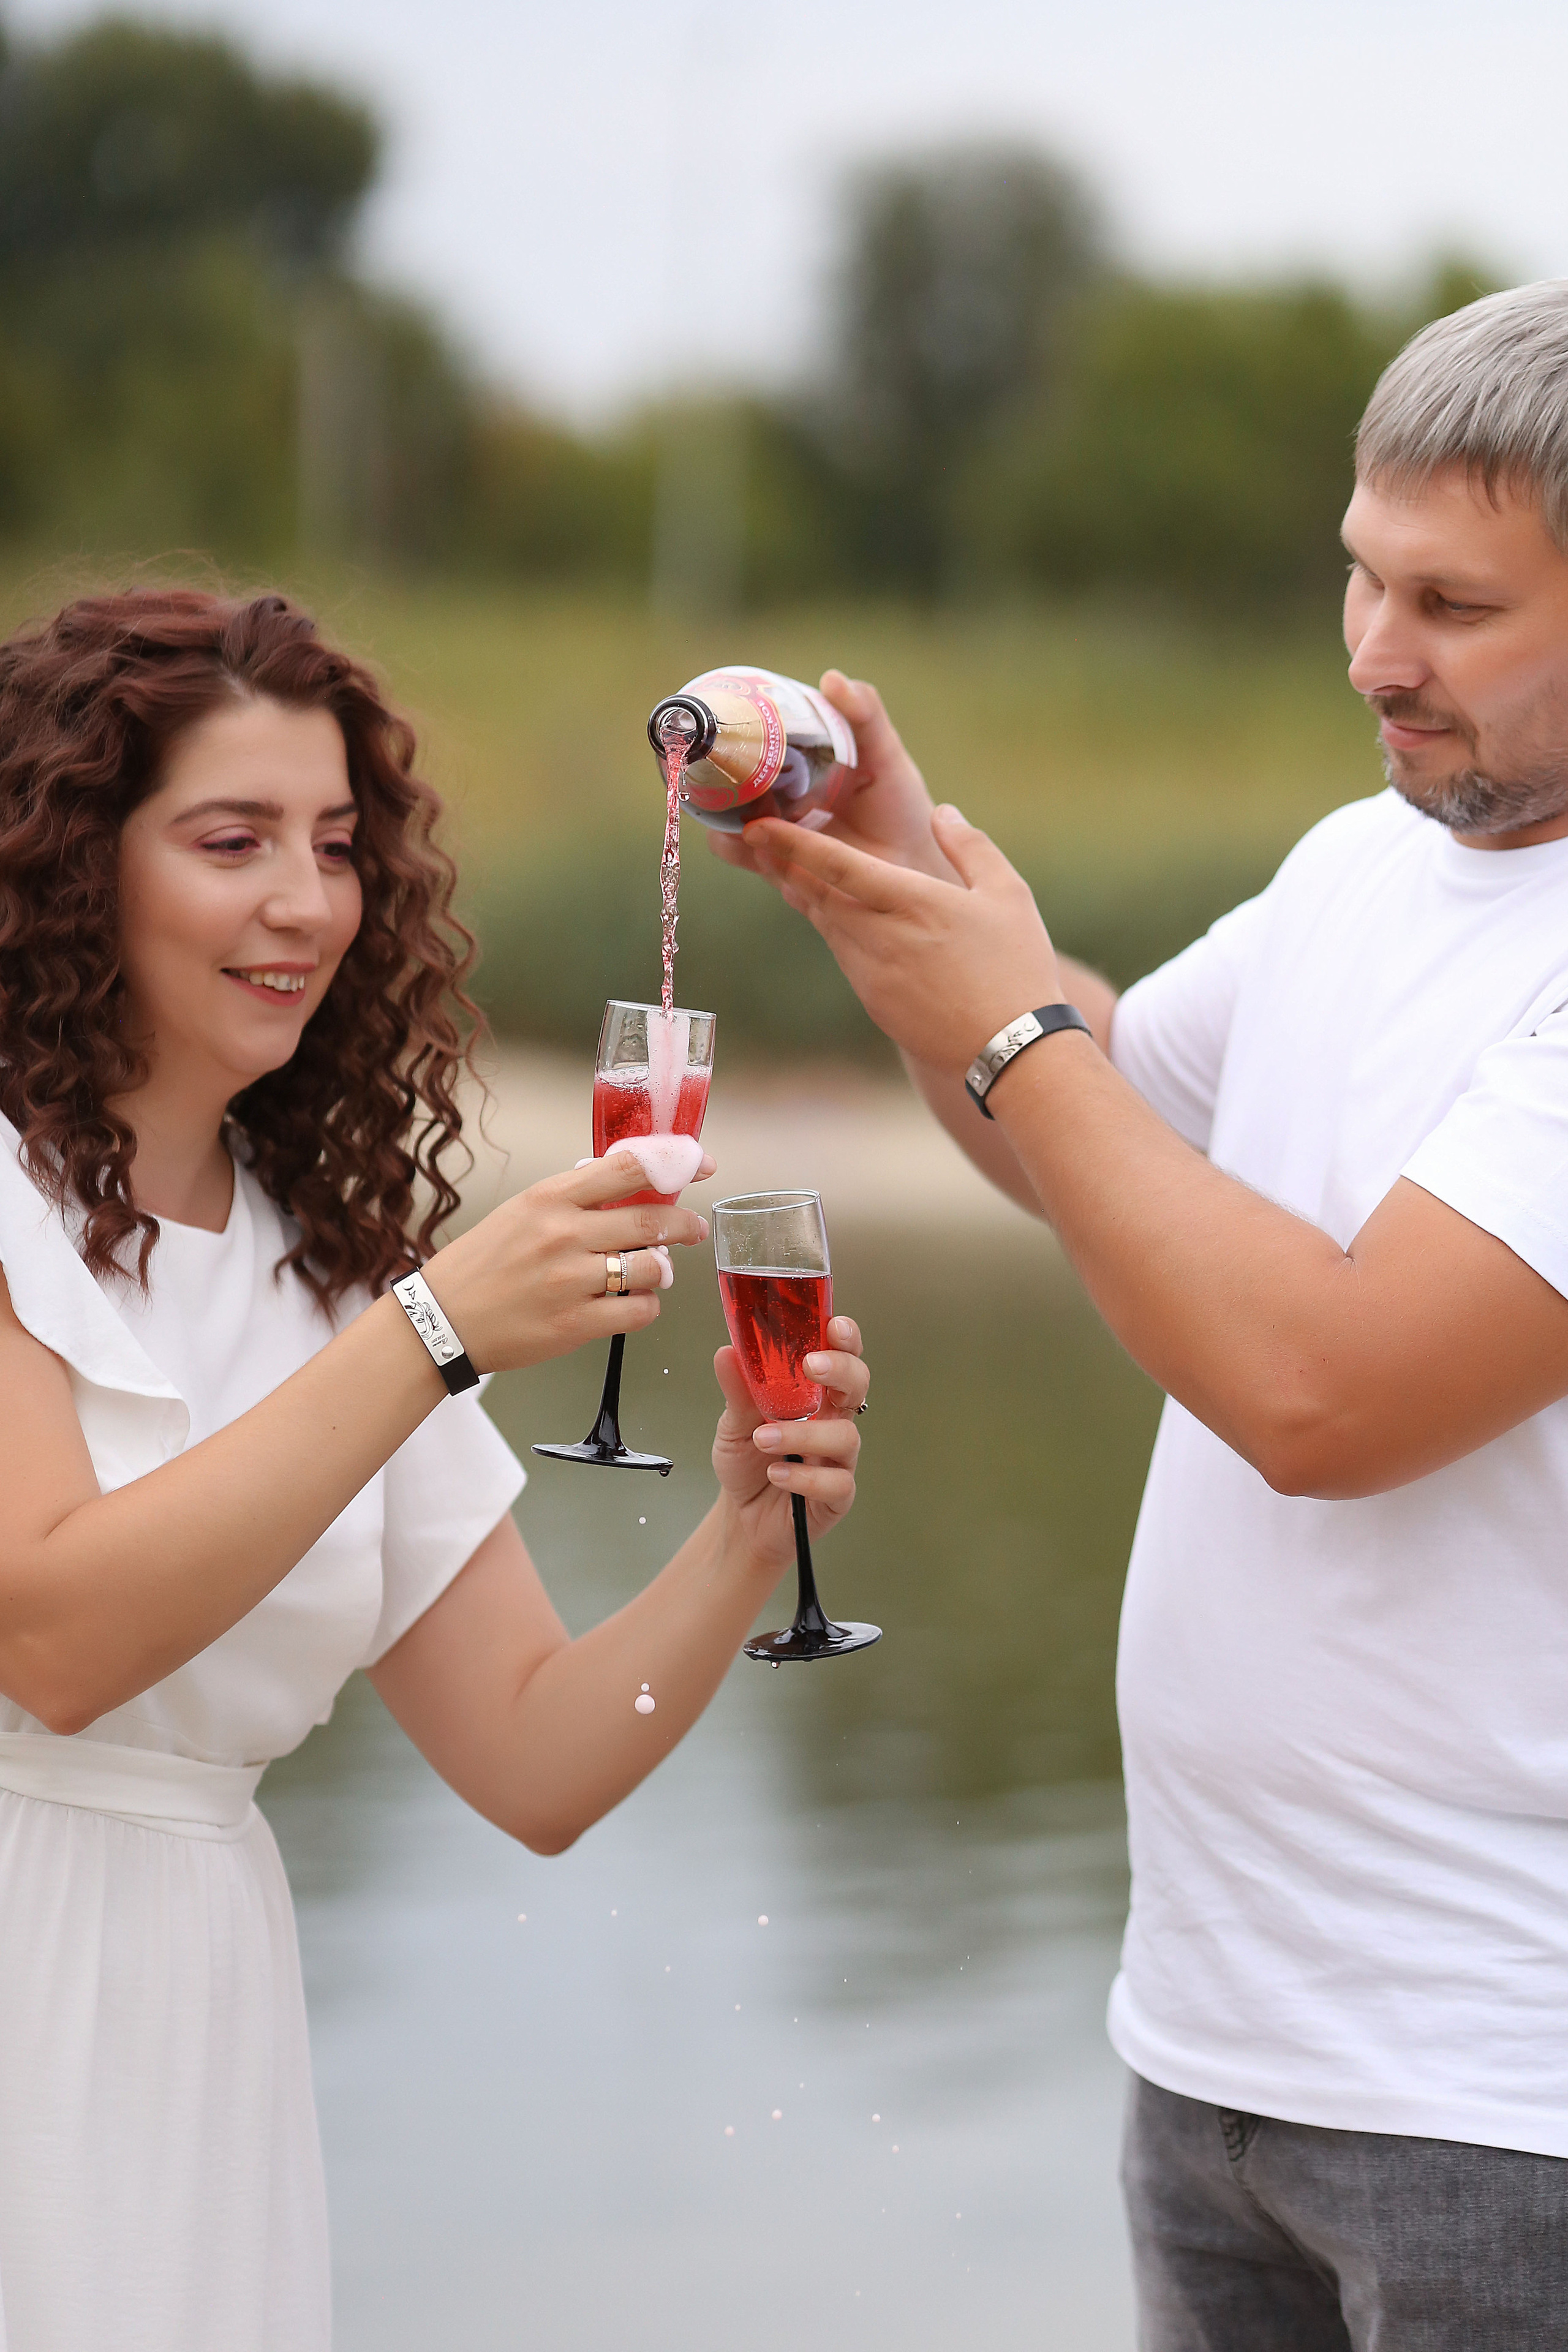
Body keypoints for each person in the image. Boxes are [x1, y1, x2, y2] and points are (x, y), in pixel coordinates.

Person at [718, 281, 1568, 2348]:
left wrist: (1005, 1027)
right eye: (1360, 577)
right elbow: (1082, 1132)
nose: (1375, 653)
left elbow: (1324, 1395)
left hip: (1502, 2093)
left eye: (1453, 607)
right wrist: (904, 876)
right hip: (1213, 2040)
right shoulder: (1359, 866)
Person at [0, 587, 869, 2352]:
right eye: (230, 841)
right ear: (70, 869)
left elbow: (541, 1756)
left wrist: (741, 1524)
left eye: (334, 844)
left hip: (198, 2035)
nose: (305, 903)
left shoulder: (325, 1270)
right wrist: (439, 1329)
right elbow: (58, 1638)